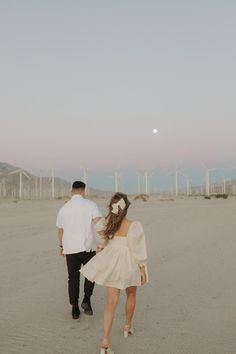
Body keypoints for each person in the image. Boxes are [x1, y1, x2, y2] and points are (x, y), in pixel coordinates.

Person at [80, 192, 148, 354]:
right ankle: (127, 326)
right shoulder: (133, 225)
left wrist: (100, 255)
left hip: (112, 261)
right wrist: (142, 267)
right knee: (131, 294)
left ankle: (105, 341)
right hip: (129, 262)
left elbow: (101, 244)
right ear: (126, 209)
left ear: (112, 207)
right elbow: (137, 249)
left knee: (110, 303)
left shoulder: (107, 223)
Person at [56, 181, 102, 319]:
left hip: (70, 248)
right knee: (91, 274)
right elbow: (99, 223)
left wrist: (61, 247)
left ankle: (74, 308)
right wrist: (102, 243)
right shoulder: (90, 205)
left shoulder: (64, 208)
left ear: (71, 191)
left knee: (73, 278)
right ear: (84, 191)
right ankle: (86, 299)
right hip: (87, 247)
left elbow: (60, 230)